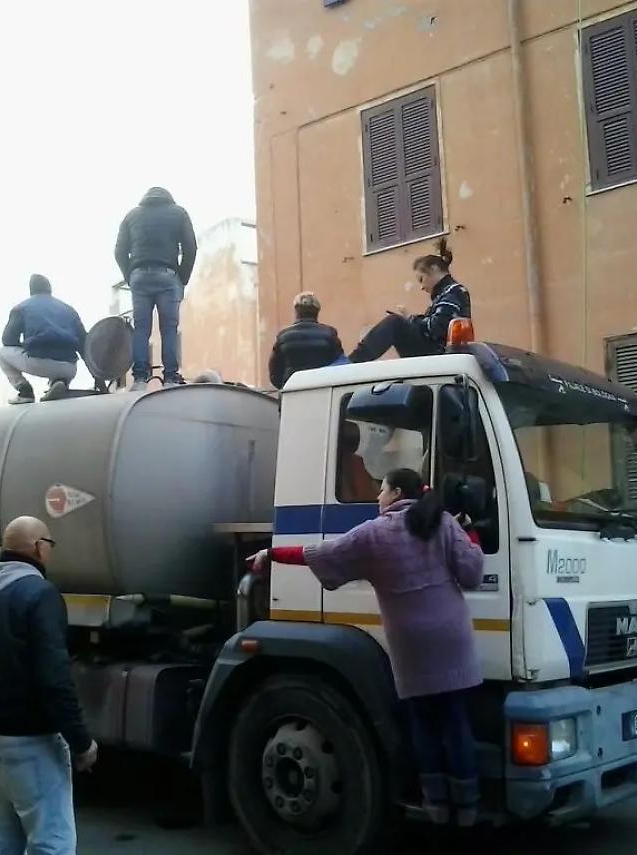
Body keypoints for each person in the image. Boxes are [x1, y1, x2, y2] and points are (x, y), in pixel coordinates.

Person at [249, 468, 484, 826]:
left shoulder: (373, 534)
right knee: (456, 721)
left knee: (423, 722)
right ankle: (467, 810)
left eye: (382, 490)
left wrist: (272, 553)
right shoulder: (443, 523)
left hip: (411, 643)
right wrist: (471, 532)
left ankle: (436, 807)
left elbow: (318, 553)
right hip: (452, 637)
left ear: (396, 493)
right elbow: (472, 573)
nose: (378, 497)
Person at [0, 516, 98, 854]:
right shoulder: (39, 595)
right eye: (50, 544)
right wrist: (81, 742)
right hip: (28, 740)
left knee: (5, 843)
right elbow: (54, 679)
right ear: (38, 548)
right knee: (52, 842)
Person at [114, 187, 198, 390]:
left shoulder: (132, 215)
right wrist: (182, 278)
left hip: (140, 276)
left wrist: (130, 276)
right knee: (169, 328)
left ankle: (140, 379)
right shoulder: (179, 213)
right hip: (168, 275)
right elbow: (191, 247)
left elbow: (119, 251)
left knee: (141, 328)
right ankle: (170, 377)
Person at [349, 238, 471, 363]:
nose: (422, 287)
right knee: (396, 322)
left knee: (394, 322)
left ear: (434, 269)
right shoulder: (451, 292)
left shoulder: (452, 292)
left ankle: (353, 362)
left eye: (421, 279)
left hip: (437, 354)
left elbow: (436, 328)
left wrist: (410, 320)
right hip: (438, 351)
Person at [0, 275, 88, 405]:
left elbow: (7, 340)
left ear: (31, 290)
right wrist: (99, 380)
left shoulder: (22, 307)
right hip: (69, 367)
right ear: (50, 289)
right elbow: (85, 346)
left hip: (40, 363)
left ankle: (25, 391)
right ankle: (58, 383)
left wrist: (26, 346)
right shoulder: (69, 309)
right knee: (58, 349)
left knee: (0, 353)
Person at [268, 292, 345, 389]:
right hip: (322, 388)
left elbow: (274, 371)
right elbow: (340, 364)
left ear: (296, 312)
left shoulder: (283, 336)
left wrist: (285, 385)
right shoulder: (329, 334)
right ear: (317, 312)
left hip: (292, 390)